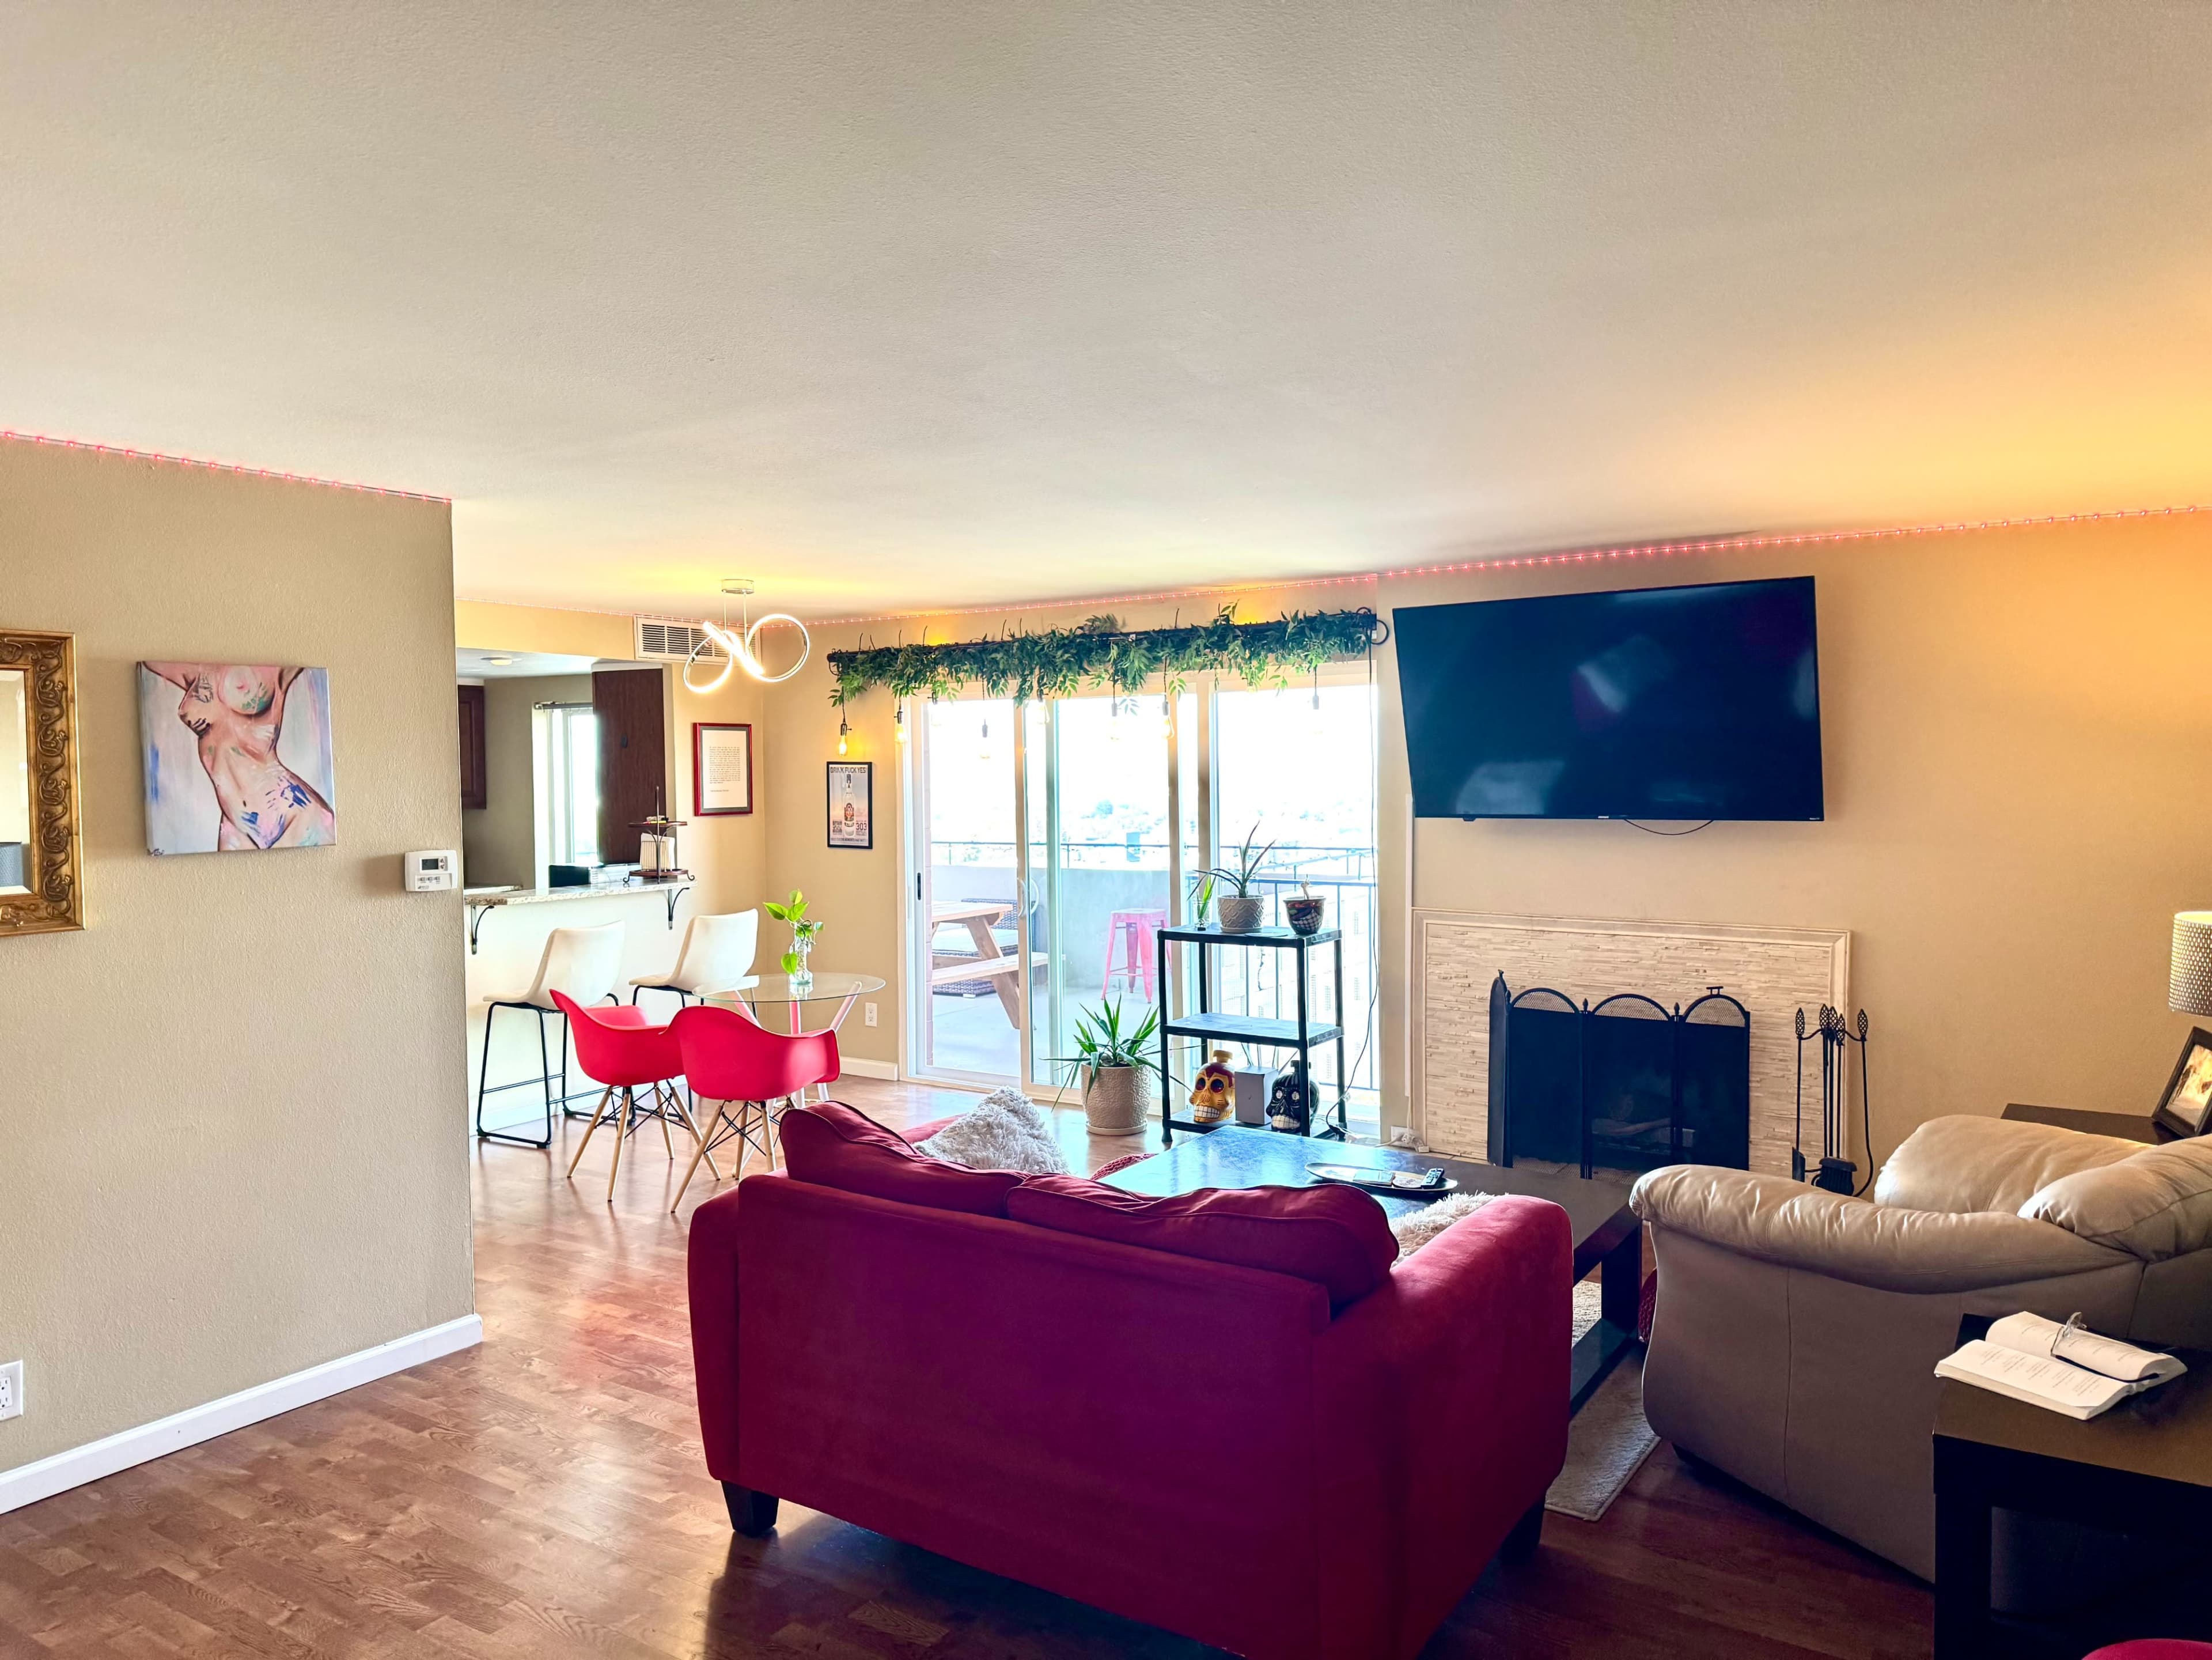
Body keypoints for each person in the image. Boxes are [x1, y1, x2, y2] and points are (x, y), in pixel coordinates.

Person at [146, 663, 335, 850]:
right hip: (237, 824)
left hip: (295, 816)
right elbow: (150, 661)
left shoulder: (276, 672)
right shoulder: (198, 670)